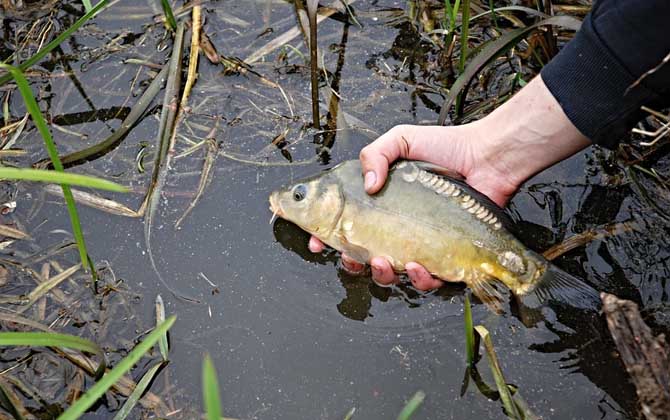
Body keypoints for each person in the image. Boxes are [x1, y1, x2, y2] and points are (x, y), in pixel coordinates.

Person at [309, 0, 670, 291]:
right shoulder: (350, 185)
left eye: (300, 196)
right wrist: (492, 149)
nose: (293, 201)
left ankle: (533, 280)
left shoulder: (349, 182)